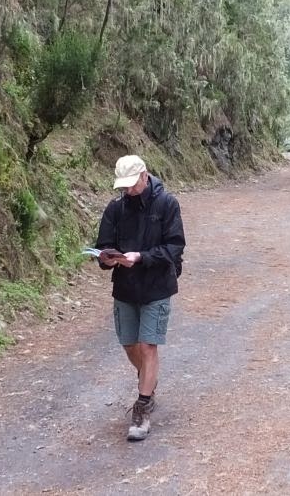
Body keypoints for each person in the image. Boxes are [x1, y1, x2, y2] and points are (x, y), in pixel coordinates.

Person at [95, 154, 185, 441]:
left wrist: (142, 257)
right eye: (124, 187)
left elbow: (174, 247)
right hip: (125, 288)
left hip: (156, 286)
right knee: (129, 344)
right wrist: (107, 259)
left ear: (145, 176)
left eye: (133, 185)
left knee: (148, 347)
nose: (129, 191)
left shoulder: (167, 204)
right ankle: (149, 379)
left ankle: (143, 406)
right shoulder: (115, 209)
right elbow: (103, 245)